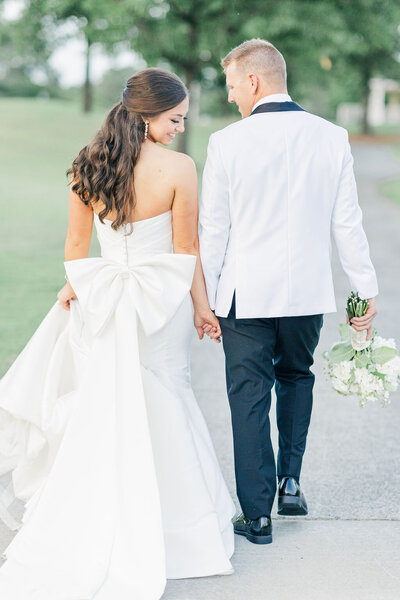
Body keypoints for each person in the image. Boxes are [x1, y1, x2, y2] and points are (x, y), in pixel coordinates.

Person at [0, 68, 235, 599]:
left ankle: (97, 518)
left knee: (106, 406)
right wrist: (203, 307)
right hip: (160, 305)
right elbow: (187, 250)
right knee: (165, 397)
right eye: (175, 118)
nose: (180, 127)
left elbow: (75, 246)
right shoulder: (179, 168)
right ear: (149, 115)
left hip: (103, 301)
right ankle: (181, 534)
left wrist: (76, 288)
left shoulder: (89, 165)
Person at [199, 39, 378, 545]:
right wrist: (362, 294)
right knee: (297, 377)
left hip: (243, 296)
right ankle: (290, 483)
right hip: (306, 293)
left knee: (249, 395)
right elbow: (348, 224)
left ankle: (257, 517)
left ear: (253, 81)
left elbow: (215, 231)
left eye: (233, 85)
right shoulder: (332, 137)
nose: (232, 96)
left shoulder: (226, 142)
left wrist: (205, 302)